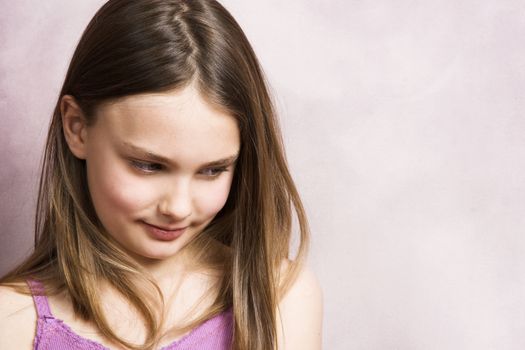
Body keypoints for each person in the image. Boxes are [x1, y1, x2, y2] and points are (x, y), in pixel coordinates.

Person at [0, 0, 322, 349]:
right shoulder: (12, 322)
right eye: (148, 165)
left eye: (213, 170)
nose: (178, 208)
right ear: (77, 128)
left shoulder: (279, 298)